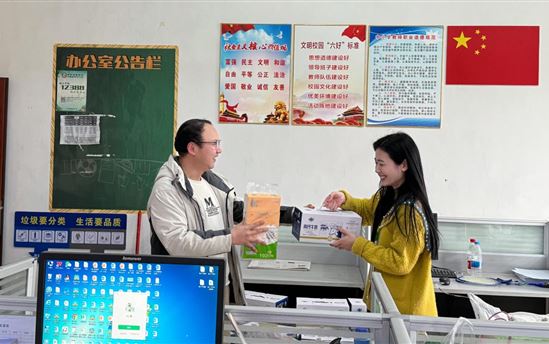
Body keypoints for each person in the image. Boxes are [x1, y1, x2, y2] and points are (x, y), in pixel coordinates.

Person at [147, 118, 268, 305]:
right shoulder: (167, 190)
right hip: (184, 288)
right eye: (214, 144)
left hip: (219, 282)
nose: (219, 150)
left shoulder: (214, 182)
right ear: (193, 148)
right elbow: (178, 242)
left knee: (222, 334)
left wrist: (295, 214)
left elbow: (237, 211)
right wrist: (231, 237)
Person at [322, 132, 440, 316]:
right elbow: (369, 210)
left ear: (404, 165)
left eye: (381, 163)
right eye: (375, 162)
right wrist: (345, 199)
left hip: (404, 314)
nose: (376, 169)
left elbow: (400, 262)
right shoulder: (388, 194)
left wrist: (357, 245)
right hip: (386, 304)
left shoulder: (410, 211)